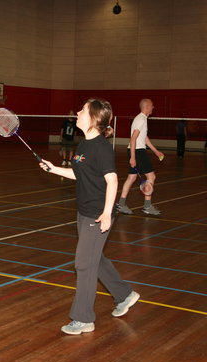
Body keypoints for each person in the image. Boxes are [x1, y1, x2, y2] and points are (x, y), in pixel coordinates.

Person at [39, 98, 139, 335]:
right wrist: (54, 168)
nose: (78, 112)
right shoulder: (84, 144)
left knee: (83, 264)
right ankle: (125, 294)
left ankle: (83, 318)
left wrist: (106, 213)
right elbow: (78, 173)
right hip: (83, 211)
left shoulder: (102, 147)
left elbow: (112, 180)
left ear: (93, 118)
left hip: (97, 213)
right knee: (96, 259)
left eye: (82, 110)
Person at [115, 99, 164, 216]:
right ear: (147, 107)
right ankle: (147, 206)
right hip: (137, 151)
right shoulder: (141, 119)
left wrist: (156, 151)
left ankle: (121, 204)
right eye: (152, 105)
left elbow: (144, 138)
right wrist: (133, 157)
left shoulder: (142, 119)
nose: (153, 107)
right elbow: (133, 138)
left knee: (131, 178)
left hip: (135, 150)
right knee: (151, 176)